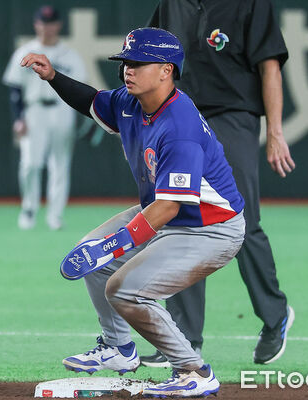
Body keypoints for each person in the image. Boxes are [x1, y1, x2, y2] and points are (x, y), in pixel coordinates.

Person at [21, 28, 245, 397]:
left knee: (126, 290)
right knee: (92, 255)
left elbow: (170, 205)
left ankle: (194, 371)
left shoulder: (180, 127)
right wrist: (53, 77)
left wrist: (118, 244)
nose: (128, 69)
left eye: (139, 62)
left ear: (166, 70)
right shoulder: (131, 102)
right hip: (167, 213)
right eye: (126, 62)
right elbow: (92, 101)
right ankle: (119, 349)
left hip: (211, 228)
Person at [139, 0, 296, 367]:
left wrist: (275, 132)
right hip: (181, 115)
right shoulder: (172, 3)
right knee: (181, 222)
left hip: (233, 114)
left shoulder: (251, 3)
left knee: (240, 220)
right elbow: (149, 56)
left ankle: (275, 315)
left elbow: (270, 66)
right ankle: (182, 340)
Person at [2, 5, 86, 230]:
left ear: (58, 25)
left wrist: (82, 117)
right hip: (34, 111)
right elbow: (15, 88)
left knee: (60, 164)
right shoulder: (25, 51)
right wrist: (18, 117)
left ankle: (55, 215)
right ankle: (29, 208)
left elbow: (79, 88)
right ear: (36, 24)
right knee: (30, 163)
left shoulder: (70, 55)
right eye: (43, 22)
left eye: (50, 23)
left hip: (62, 110)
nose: (47, 27)